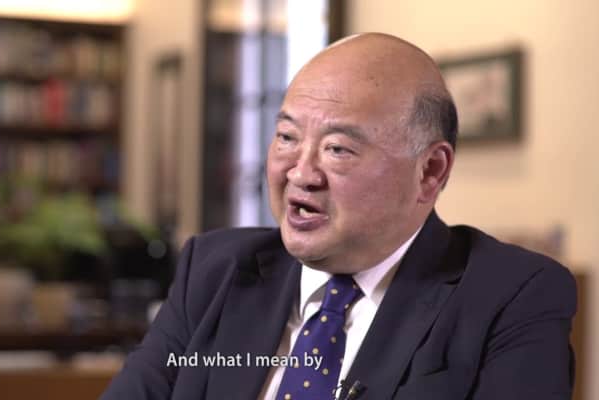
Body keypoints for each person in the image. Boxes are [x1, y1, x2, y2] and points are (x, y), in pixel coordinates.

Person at [101, 33, 576, 400]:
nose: (300, 173)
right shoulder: (213, 270)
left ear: (430, 171)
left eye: (338, 149)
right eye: (287, 138)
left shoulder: (513, 297)